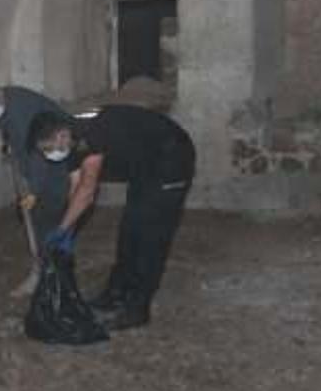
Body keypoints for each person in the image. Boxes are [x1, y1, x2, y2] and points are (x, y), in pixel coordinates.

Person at [27, 104, 195, 331]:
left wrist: (60, 231)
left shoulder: (89, 135)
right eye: (44, 151)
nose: (50, 154)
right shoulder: (69, 139)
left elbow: (87, 192)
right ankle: (115, 294)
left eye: (49, 148)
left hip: (172, 157)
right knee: (130, 228)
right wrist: (67, 227)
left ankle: (137, 308)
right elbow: (75, 189)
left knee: (151, 234)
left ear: (61, 134)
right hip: (144, 164)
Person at [0, 78, 71, 296]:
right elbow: (12, 134)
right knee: (37, 217)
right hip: (39, 156)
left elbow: (38, 157)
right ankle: (45, 270)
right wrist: (9, 145)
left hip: (55, 156)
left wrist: (32, 191)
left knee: (50, 215)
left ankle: (55, 276)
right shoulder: (4, 105)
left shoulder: (21, 113)